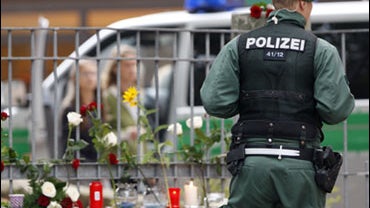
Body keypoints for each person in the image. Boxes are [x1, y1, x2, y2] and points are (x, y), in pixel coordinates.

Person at [200, 0, 355, 207]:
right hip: (300, 165)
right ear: (302, 3)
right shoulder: (321, 49)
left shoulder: (239, 45)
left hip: (251, 166)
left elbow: (215, 102)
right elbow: (335, 110)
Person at [101, 44, 139, 155]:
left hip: (139, 156)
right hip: (120, 157)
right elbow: (103, 135)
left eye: (134, 65)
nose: (132, 70)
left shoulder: (138, 93)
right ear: (115, 68)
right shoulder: (109, 96)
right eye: (127, 65)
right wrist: (126, 134)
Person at [60, 59, 99, 162]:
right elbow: (68, 145)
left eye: (93, 73)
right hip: (82, 165)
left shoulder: (100, 105)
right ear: (75, 78)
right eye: (85, 74)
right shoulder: (70, 109)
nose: (90, 77)